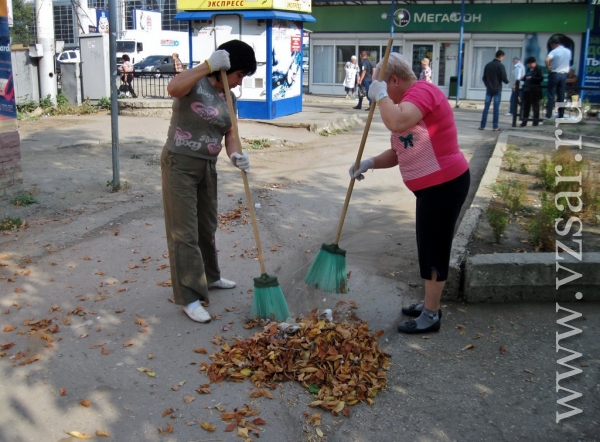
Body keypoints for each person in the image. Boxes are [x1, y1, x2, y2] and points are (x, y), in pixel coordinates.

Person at [349, 53, 470, 334]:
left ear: (393, 80)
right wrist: (369, 162)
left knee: (434, 248)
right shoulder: (408, 103)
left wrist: (381, 97)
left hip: (444, 184)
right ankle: (430, 304)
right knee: (427, 246)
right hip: (432, 188)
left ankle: (431, 315)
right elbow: (400, 149)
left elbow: (398, 123)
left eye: (383, 86)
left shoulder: (422, 91)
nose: (381, 96)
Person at [161, 40, 257, 323]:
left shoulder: (230, 96)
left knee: (207, 226)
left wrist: (237, 154)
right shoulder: (196, 80)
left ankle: (210, 277)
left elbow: (230, 134)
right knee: (184, 232)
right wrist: (206, 65)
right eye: (240, 75)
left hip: (207, 166)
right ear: (225, 68)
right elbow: (173, 88)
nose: (239, 83)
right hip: (179, 164)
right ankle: (189, 297)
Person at [478, 50, 508, 131]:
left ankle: (482, 125)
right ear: (501, 56)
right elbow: (504, 78)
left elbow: (484, 77)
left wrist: (487, 84)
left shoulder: (488, 65)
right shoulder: (500, 66)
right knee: (496, 108)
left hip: (489, 89)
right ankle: (495, 126)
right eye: (503, 57)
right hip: (497, 89)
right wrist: (508, 82)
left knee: (486, 108)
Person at [545, 37, 572, 119]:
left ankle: (549, 114)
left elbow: (547, 59)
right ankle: (561, 114)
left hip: (555, 74)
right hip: (564, 75)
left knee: (551, 95)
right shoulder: (568, 51)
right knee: (561, 95)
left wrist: (549, 68)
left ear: (553, 44)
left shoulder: (554, 51)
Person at [519, 56, 544, 127]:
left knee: (535, 107)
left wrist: (532, 78)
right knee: (526, 107)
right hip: (527, 91)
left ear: (534, 63)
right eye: (528, 64)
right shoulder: (528, 69)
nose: (529, 65)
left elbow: (541, 78)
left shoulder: (538, 69)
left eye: (530, 64)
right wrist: (523, 78)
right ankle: (524, 122)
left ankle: (535, 122)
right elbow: (526, 77)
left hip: (535, 91)